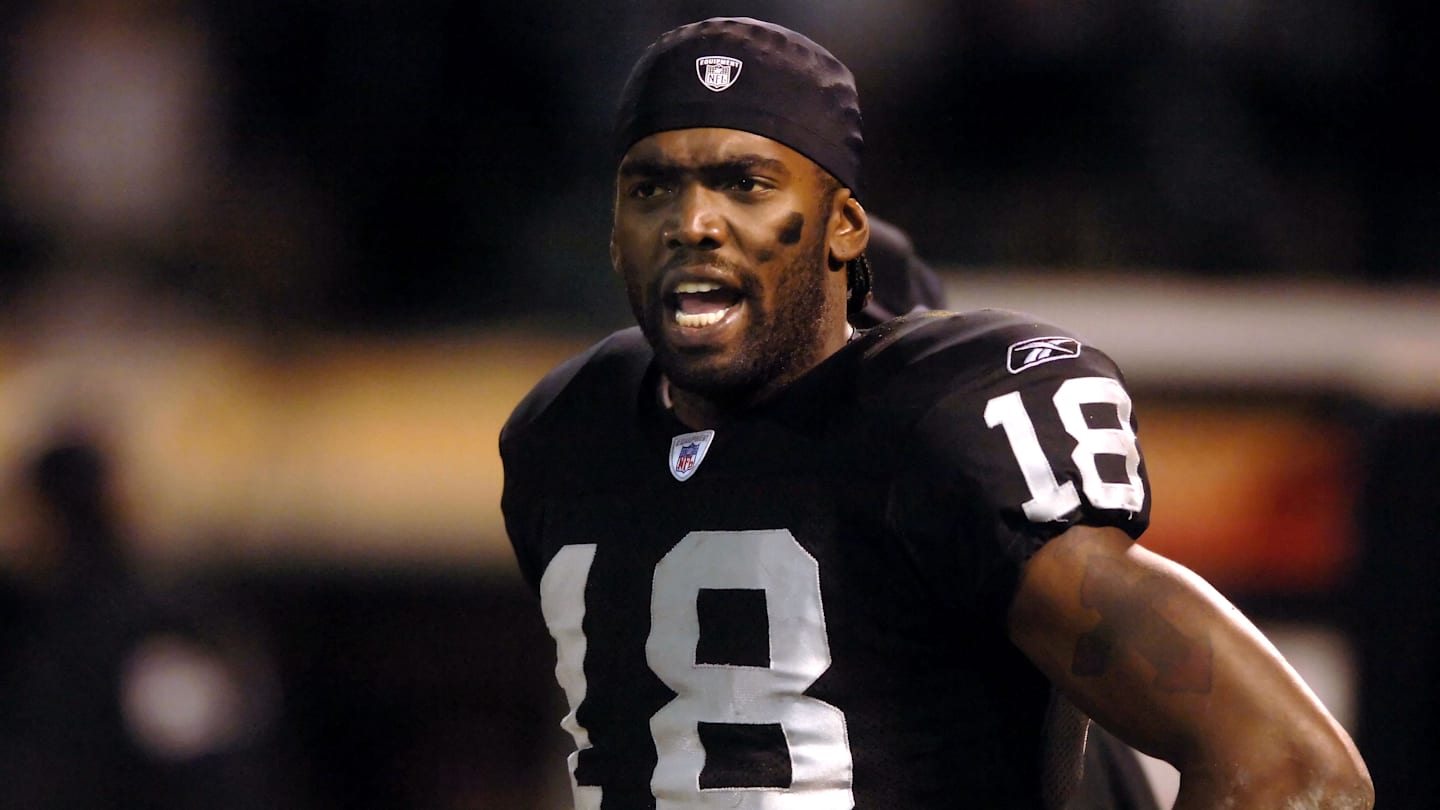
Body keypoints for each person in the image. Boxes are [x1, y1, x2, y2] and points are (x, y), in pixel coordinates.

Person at [500, 16, 1373, 809]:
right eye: (651, 189)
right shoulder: (566, 436)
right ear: (613, 228)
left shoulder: (941, 427)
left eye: (745, 183)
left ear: (845, 228)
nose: (693, 223)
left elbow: (1293, 767)